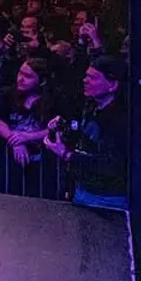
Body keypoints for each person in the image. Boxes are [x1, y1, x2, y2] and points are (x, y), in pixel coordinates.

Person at [44, 56, 128, 210]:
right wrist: (63, 128)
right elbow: (88, 142)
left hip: (108, 198)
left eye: (93, 78)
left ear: (113, 85)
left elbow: (114, 164)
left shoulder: (120, 120)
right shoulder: (91, 107)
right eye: (86, 75)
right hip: (83, 189)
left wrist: (67, 155)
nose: (85, 80)